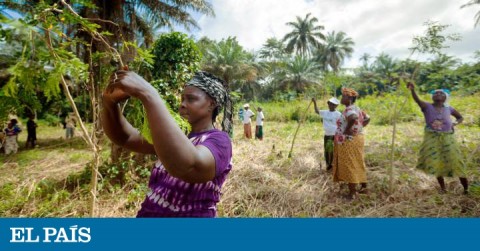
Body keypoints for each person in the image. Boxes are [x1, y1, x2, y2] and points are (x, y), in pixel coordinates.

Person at [101, 70, 233, 217]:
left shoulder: (220, 141)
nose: (182, 104)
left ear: (211, 104)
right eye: (182, 99)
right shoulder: (177, 135)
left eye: (191, 99)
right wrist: (109, 103)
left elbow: (189, 167)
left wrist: (149, 94)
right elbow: (125, 138)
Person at [407, 82, 468, 194]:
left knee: (456, 162)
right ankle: (443, 188)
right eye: (435, 93)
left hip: (448, 138)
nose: (438, 94)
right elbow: (417, 100)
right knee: (437, 162)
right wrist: (412, 90)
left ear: (445, 97)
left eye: (441, 93)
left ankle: (466, 189)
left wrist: (454, 124)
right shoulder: (427, 106)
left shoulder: (449, 108)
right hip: (433, 138)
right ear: (432, 97)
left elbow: (460, 117)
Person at [332, 88, 370, 200]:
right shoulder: (357, 109)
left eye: (343, 97)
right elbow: (368, 118)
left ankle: (352, 193)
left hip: (349, 140)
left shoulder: (349, 110)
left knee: (350, 165)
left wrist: (347, 131)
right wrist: (359, 128)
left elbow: (353, 118)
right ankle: (364, 187)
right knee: (358, 162)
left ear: (349, 98)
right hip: (357, 138)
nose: (341, 99)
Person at [312, 97, 341, 171]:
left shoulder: (338, 114)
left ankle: (336, 165)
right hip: (327, 135)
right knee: (328, 150)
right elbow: (316, 111)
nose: (330, 105)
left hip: (335, 135)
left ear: (336, 106)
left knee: (335, 150)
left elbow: (341, 124)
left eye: (333, 104)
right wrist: (314, 102)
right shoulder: (325, 112)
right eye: (329, 104)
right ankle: (329, 164)